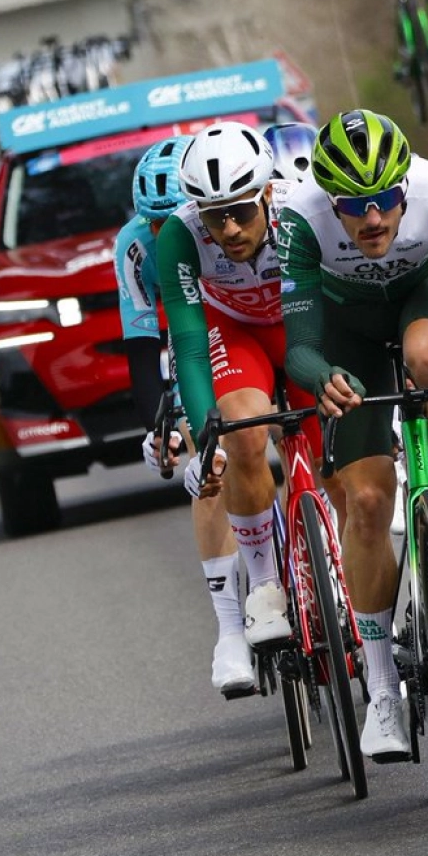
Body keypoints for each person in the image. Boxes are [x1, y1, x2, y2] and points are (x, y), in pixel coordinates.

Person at [276, 109, 428, 760]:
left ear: (406, 186)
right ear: (331, 200)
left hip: (422, 297)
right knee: (367, 503)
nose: (373, 218)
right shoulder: (298, 219)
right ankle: (381, 688)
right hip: (345, 326)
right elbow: (300, 346)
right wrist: (322, 376)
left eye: (385, 199)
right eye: (355, 207)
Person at [157, 120, 323, 661]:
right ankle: (265, 585)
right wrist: (207, 436)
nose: (228, 229)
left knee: (340, 453)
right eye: (214, 215)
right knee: (244, 435)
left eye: (241, 211)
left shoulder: (303, 209)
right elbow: (188, 345)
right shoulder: (180, 235)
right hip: (235, 332)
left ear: (268, 193)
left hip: (301, 320)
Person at [114, 135, 251, 697]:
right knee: (207, 454)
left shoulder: (224, 225)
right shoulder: (135, 247)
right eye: (151, 222)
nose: (161, 232)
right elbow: (142, 346)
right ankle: (230, 628)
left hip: (238, 324)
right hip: (189, 337)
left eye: (171, 219)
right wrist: (157, 428)